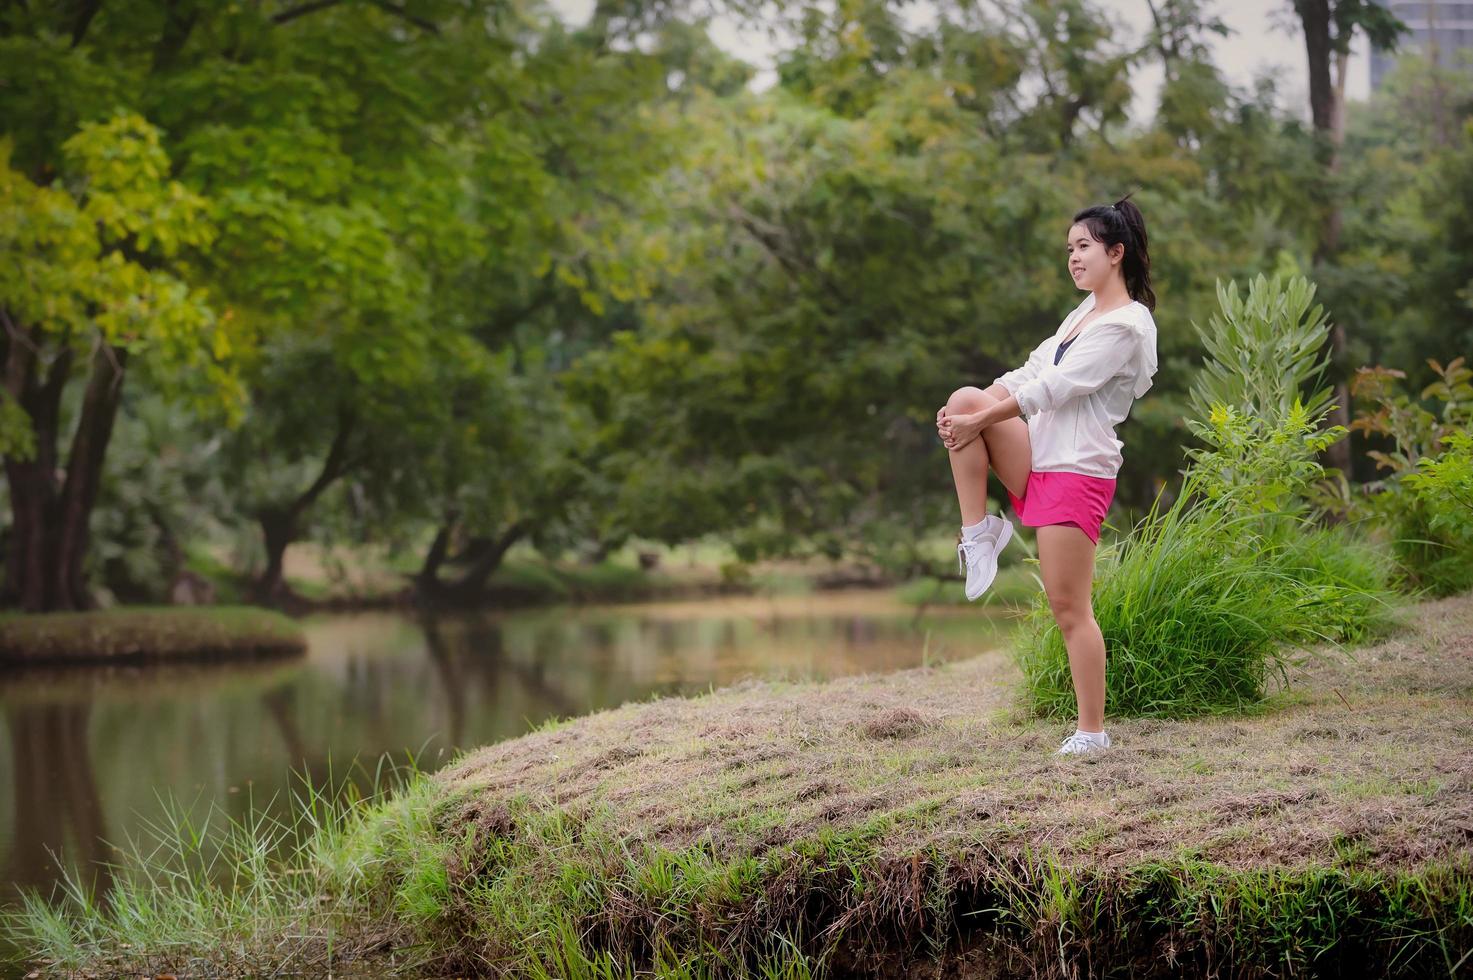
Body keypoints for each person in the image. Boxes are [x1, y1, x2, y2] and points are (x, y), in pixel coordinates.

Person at [935, 195, 1159, 756]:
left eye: (1083, 247)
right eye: (1069, 249)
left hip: (1077, 469)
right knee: (964, 397)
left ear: (1116, 253)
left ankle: (1092, 732)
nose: (1074, 258)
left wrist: (985, 418)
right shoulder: (1080, 314)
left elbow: (1056, 388)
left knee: (1068, 606)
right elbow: (1032, 370)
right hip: (1040, 451)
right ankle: (979, 531)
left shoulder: (1127, 325)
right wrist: (972, 411)